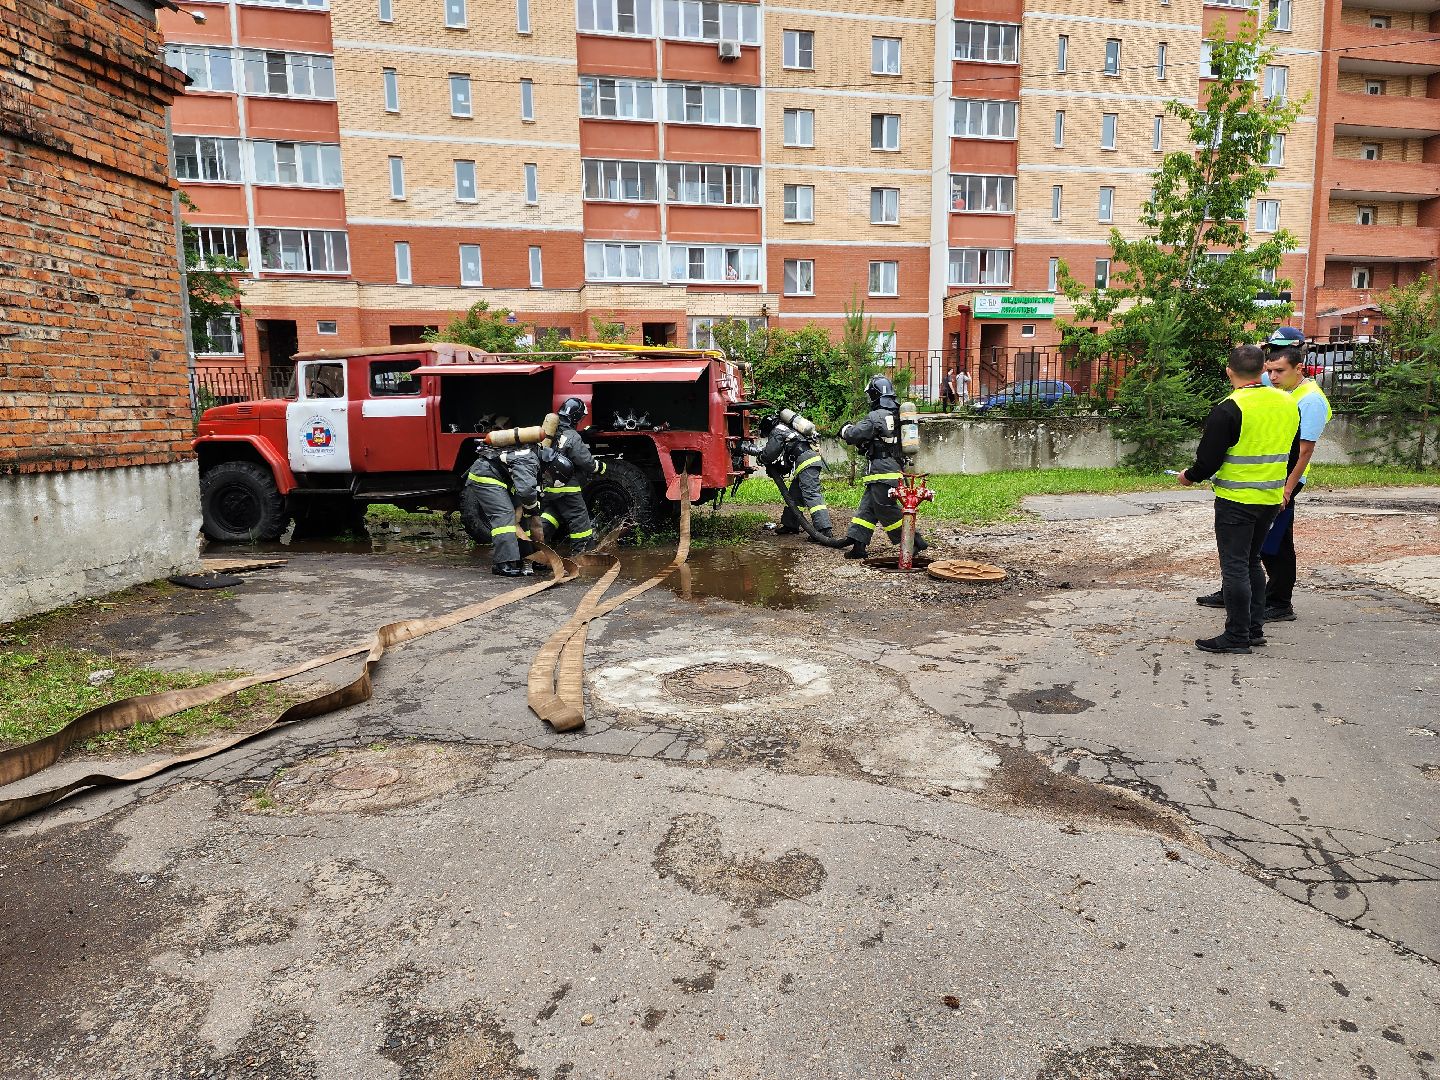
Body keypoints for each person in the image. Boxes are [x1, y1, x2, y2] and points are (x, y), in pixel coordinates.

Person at [1195, 327, 1330, 622]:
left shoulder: (1309, 399)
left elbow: (1303, 452)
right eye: (1269, 367)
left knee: (1275, 544)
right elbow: (1251, 373)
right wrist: (1254, 351)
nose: (1274, 375)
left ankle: (1280, 602)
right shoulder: (1280, 391)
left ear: (1299, 367)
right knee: (1248, 553)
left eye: (1279, 369)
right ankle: (1237, 594)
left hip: (1283, 480)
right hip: (1265, 478)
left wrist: (1286, 489)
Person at [1178, 344, 1300, 654]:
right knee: (1251, 563)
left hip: (1236, 499)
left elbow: (1208, 461)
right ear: (1263, 370)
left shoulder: (1229, 408)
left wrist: (1188, 476)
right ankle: (1253, 629)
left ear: (1229, 372)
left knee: (1235, 567)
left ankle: (1235, 636)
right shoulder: (1288, 403)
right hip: (1271, 498)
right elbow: (1294, 453)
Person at [840, 375, 927, 560]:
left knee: (885, 509)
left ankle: (913, 542)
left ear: (875, 394)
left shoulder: (876, 416)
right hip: (892, 468)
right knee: (867, 509)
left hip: (882, 471)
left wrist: (845, 430)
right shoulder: (897, 414)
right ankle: (858, 545)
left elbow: (854, 435)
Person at [462, 442, 546, 577]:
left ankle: (530, 558)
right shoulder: (529, 459)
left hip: (499, 477)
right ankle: (502, 563)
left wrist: (529, 510)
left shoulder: (533, 457)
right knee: (504, 515)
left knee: (523, 518)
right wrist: (532, 508)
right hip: (486, 476)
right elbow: (526, 491)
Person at [742, 415, 833, 540]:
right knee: (794, 495)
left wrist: (761, 458)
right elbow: (790, 456)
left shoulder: (777, 431)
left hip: (807, 463)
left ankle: (824, 531)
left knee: (812, 494)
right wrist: (779, 468)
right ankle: (790, 525)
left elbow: (770, 453)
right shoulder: (788, 429)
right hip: (806, 462)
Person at [540, 396, 607, 553]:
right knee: (579, 518)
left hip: (549, 487)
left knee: (551, 516)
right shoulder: (572, 436)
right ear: (576, 416)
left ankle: (534, 549)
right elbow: (585, 461)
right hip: (567, 488)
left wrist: (584, 434)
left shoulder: (551, 432)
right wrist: (599, 467)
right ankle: (581, 553)